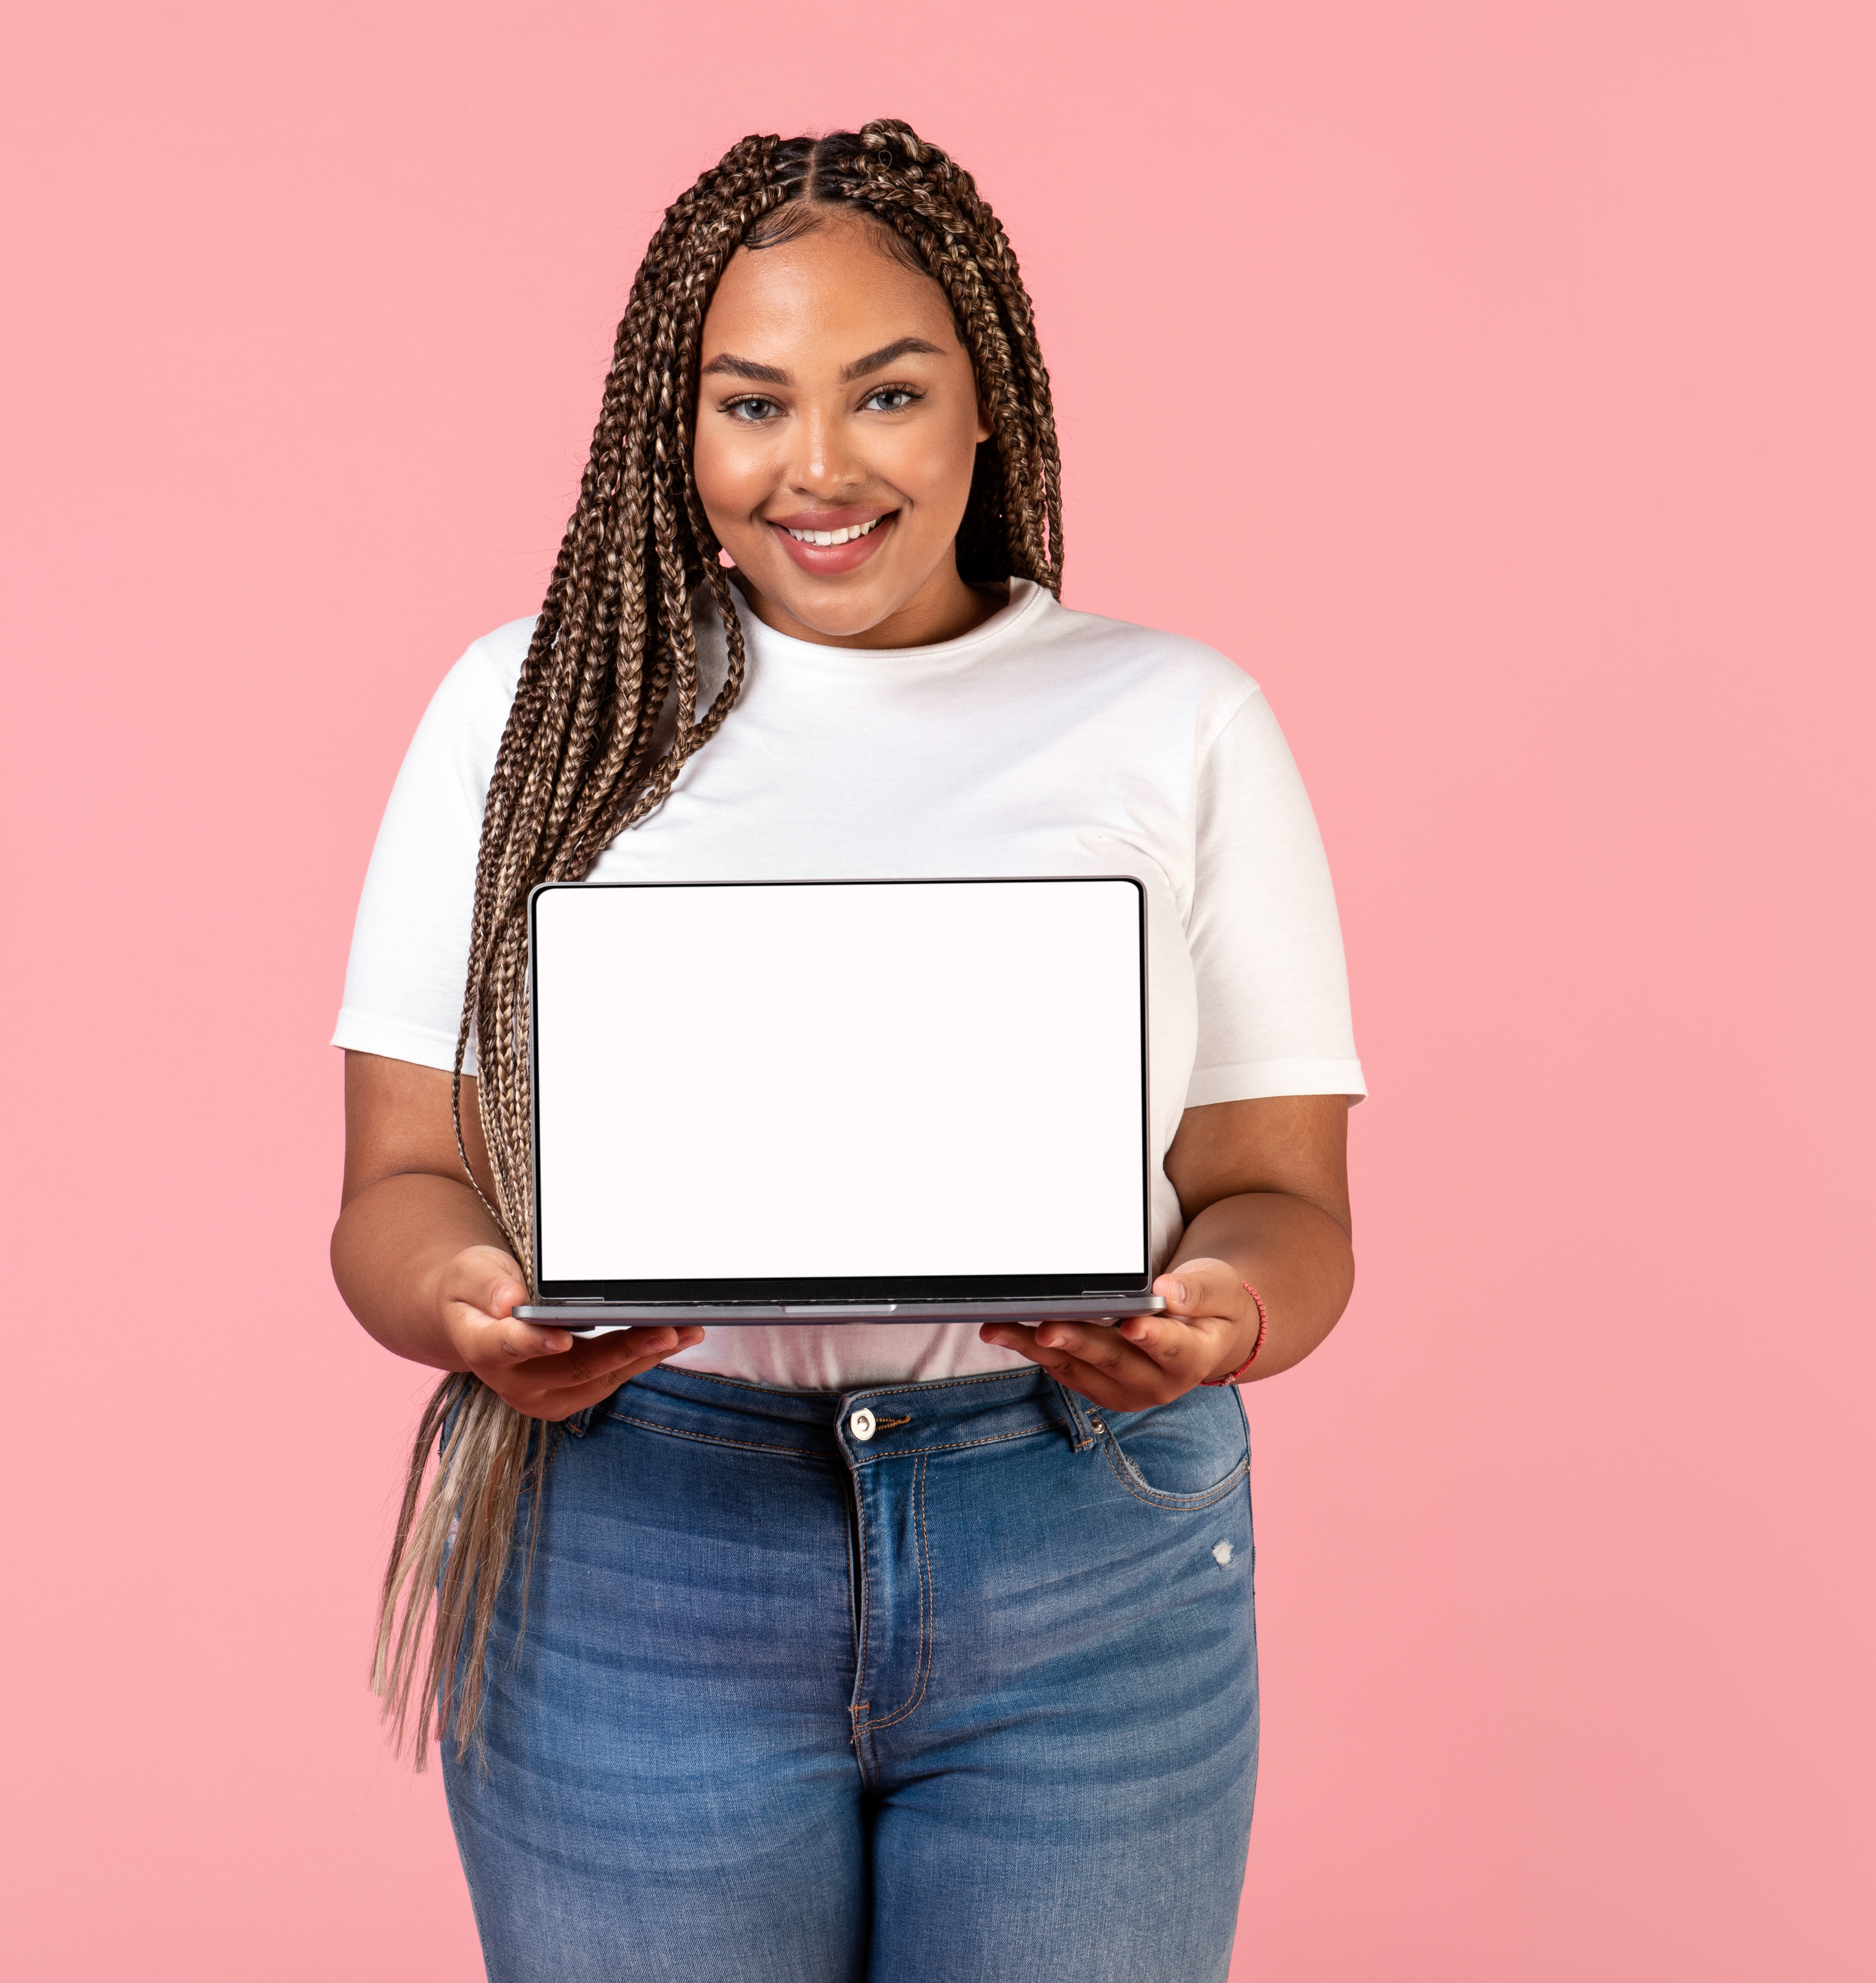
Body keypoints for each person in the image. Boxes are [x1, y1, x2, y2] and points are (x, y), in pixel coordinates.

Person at [329, 122, 1363, 1983]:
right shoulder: (527, 712)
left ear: (986, 407)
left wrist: (1224, 1314)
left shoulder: (1177, 720)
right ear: (678, 427)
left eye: (885, 392)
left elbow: (1280, 1200)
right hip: (635, 1529)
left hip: (1085, 1542)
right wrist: (466, 1304)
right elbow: (398, 1185)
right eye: (750, 403)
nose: (816, 466)